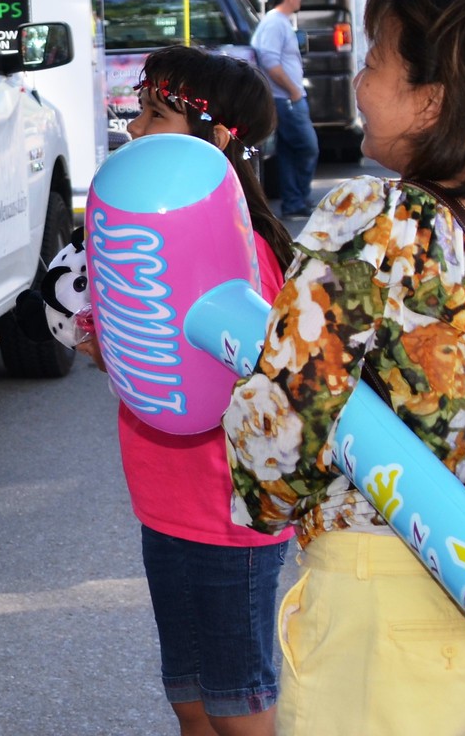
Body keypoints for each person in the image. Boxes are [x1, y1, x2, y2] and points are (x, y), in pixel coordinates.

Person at [224, 0, 465, 736]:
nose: (357, 84)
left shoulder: (376, 217)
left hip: (386, 595)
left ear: (431, 100)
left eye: (372, 63)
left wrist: (264, 505)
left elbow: (288, 414)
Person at [65, 47, 295, 736]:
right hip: (166, 507)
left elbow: (263, 383)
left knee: (238, 705)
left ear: (219, 139)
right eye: (138, 112)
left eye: (155, 115)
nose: (134, 130)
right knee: (191, 701)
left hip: (230, 519)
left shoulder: (245, 252)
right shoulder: (154, 237)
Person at [249, 0, 316, 222]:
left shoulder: (278, 22)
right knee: (308, 147)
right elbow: (270, 62)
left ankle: (294, 202)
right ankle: (298, 198)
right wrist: (293, 91)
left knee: (288, 151)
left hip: (286, 97)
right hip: (286, 98)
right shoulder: (275, 24)